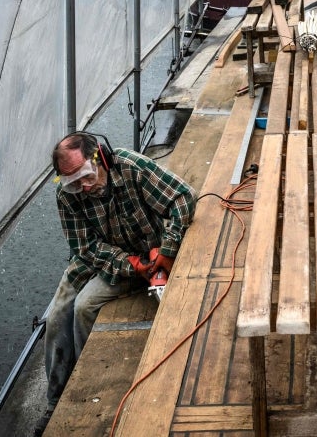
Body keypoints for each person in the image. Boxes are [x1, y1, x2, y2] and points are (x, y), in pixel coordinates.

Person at [35, 131, 197, 435]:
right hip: (104, 259)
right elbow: (85, 248)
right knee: (57, 317)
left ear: (101, 157)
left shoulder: (132, 167)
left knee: (85, 307)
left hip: (151, 249)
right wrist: (131, 265)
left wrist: (168, 249)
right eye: (72, 182)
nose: (83, 187)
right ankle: (59, 400)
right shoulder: (67, 195)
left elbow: (183, 197)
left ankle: (91, 378)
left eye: (85, 175)